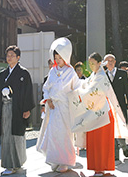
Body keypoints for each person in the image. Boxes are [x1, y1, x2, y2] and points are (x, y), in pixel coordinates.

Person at [71, 52, 128, 176]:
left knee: (101, 142)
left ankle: (101, 168)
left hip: (102, 115)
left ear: (98, 63)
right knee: (93, 142)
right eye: (89, 63)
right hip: (93, 114)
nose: (91, 66)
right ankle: (96, 167)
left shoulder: (101, 76)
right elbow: (84, 85)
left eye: (93, 63)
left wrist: (78, 94)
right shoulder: (94, 75)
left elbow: (91, 91)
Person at [36, 38, 81, 173]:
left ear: (66, 57)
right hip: (54, 107)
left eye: (60, 57)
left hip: (65, 107)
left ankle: (65, 161)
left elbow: (77, 89)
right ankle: (54, 159)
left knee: (65, 134)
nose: (58, 60)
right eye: (56, 57)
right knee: (53, 134)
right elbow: (46, 88)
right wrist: (48, 99)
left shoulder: (71, 72)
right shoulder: (52, 71)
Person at [0, 45, 35, 175]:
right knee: (6, 135)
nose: (9, 58)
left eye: (12, 55)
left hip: (18, 108)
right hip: (5, 107)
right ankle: (9, 164)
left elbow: (28, 92)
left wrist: (27, 109)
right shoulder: (3, 74)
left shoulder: (23, 73)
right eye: (8, 55)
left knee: (17, 135)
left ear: (18, 57)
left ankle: (16, 163)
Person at [104, 54, 128, 159]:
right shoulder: (103, 75)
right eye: (107, 60)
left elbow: (127, 90)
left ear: (115, 62)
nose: (110, 62)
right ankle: (115, 155)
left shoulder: (122, 73)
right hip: (108, 106)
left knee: (121, 127)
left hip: (120, 105)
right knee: (111, 129)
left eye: (112, 60)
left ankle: (124, 147)